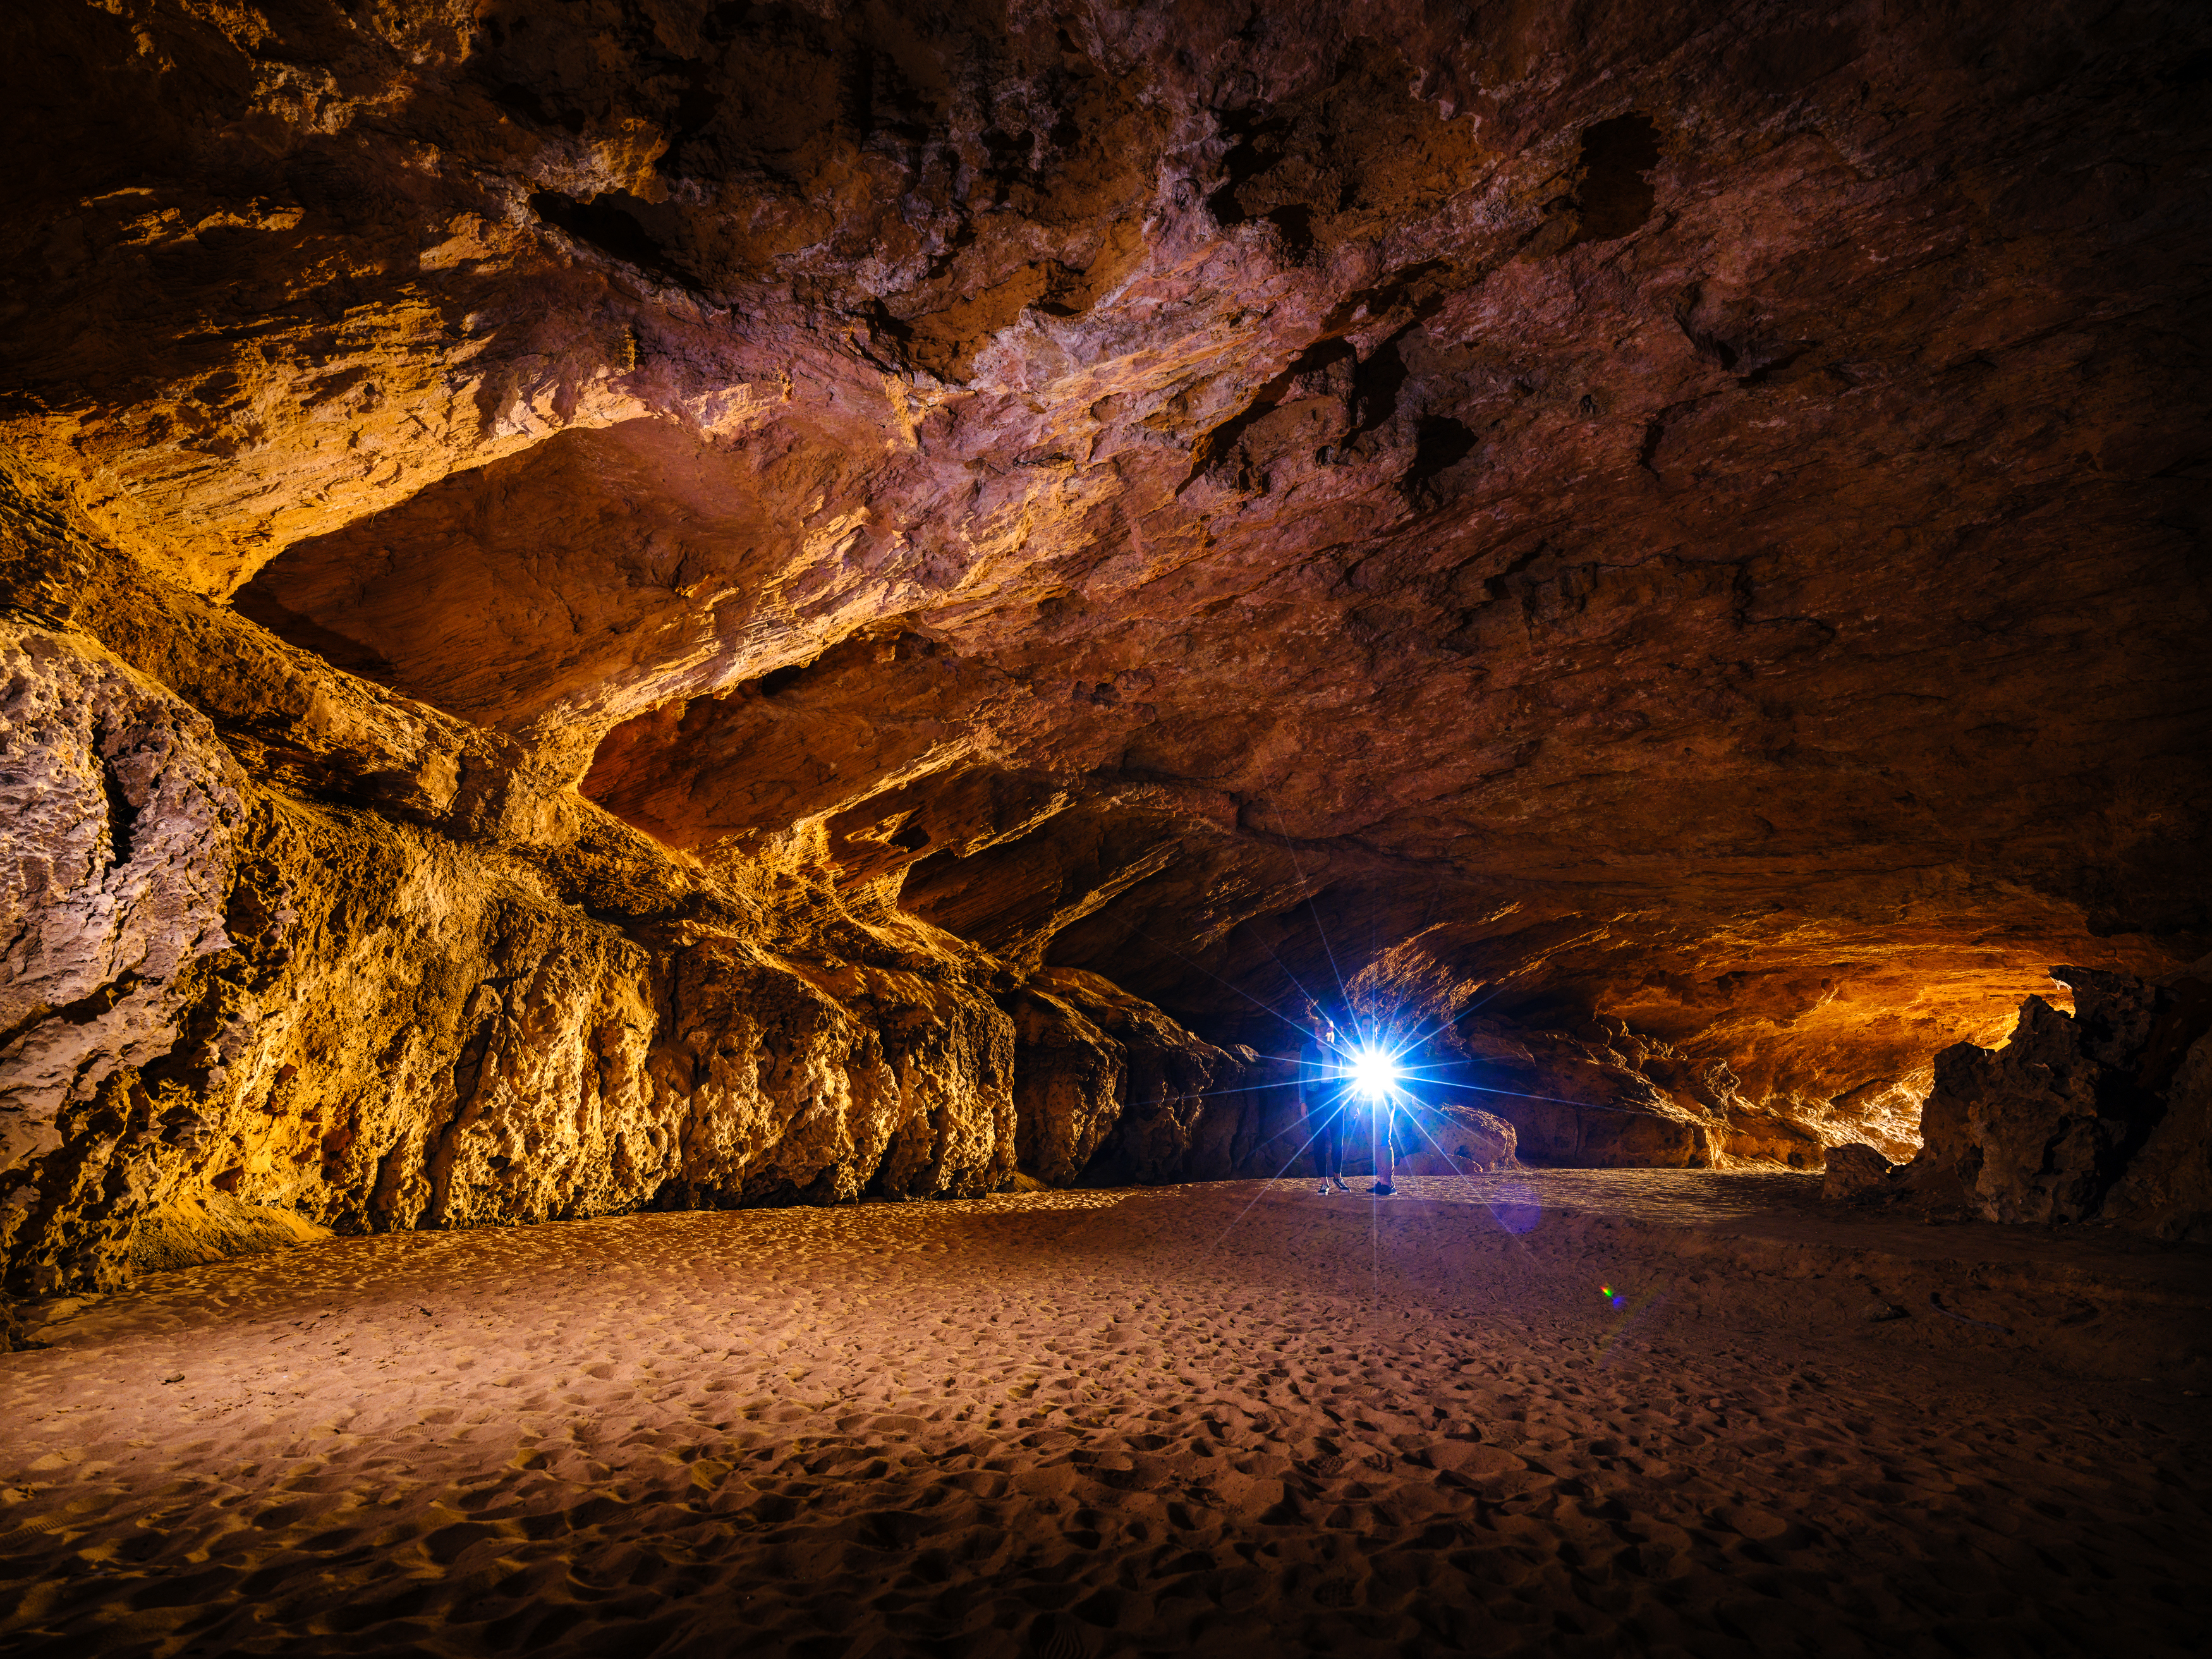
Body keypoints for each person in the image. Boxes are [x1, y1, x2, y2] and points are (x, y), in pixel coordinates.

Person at [1296, 1002, 1351, 1194]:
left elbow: (1348, 1076)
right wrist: (1303, 1101)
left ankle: (1338, 1177)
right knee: (1319, 1140)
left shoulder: (1339, 1049)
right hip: (1315, 1096)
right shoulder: (1308, 1049)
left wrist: (1348, 1099)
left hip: (1335, 1096)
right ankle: (1324, 1182)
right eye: (1316, 1026)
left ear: (1330, 1028)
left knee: (1338, 1139)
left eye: (1322, 1026)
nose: (1318, 1029)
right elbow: (1302, 1076)